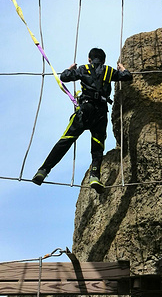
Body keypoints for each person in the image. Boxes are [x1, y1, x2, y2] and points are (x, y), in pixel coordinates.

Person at [32, 48, 132, 193]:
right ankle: (94, 176)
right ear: (103, 60)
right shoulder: (110, 71)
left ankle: (43, 170)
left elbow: (64, 77)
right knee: (97, 146)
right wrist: (122, 69)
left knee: (66, 140)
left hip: (85, 110)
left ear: (89, 59)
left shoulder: (84, 69)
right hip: (101, 112)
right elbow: (127, 76)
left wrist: (70, 68)